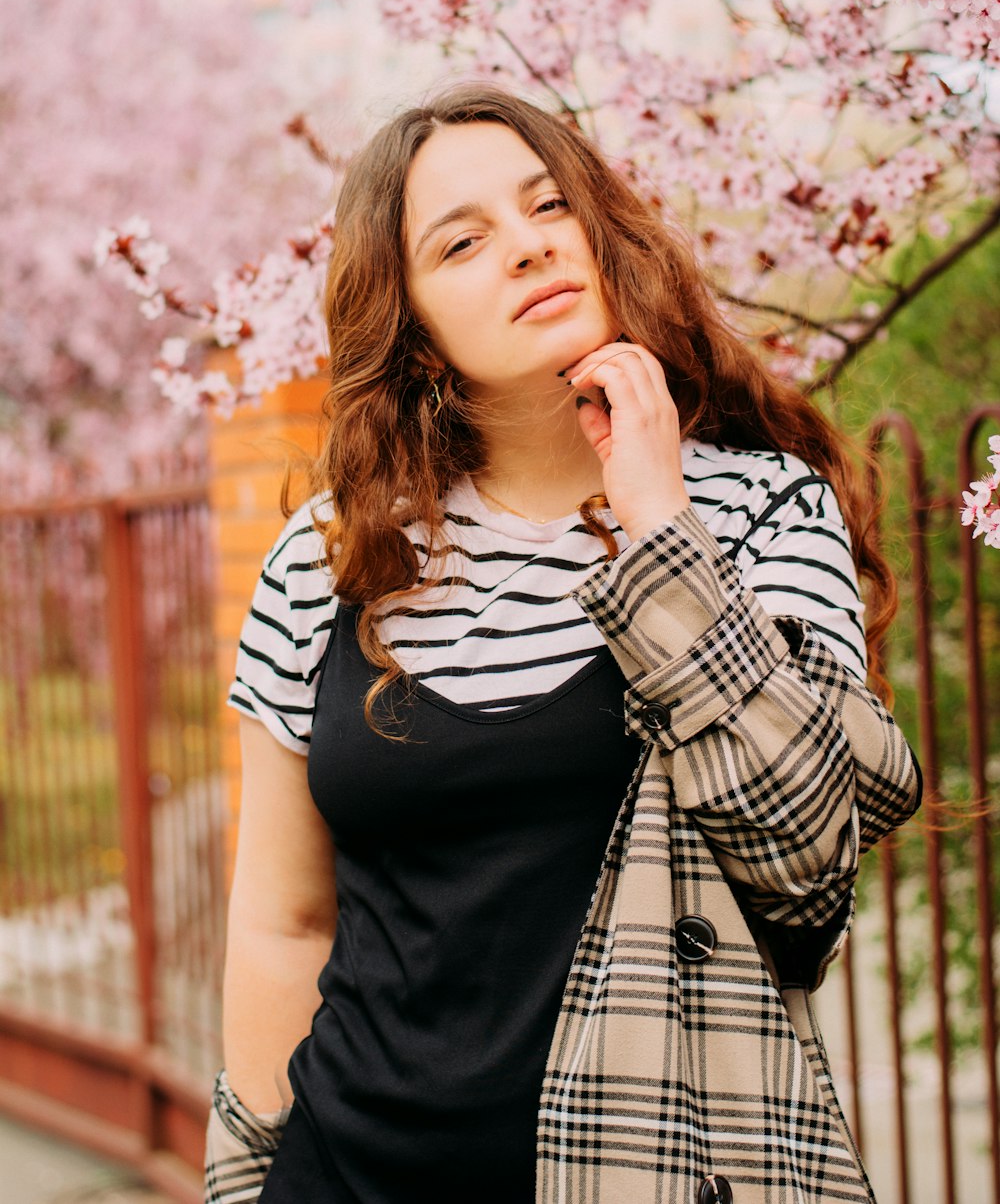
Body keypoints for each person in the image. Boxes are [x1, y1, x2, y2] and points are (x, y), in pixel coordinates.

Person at [204, 84, 921, 1204]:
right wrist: (245, 1180)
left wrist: (657, 526)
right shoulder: (326, 559)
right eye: (463, 241)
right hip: (342, 1173)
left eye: (549, 208)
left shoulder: (761, 512)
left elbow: (807, 848)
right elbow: (283, 920)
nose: (529, 248)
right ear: (414, 322)